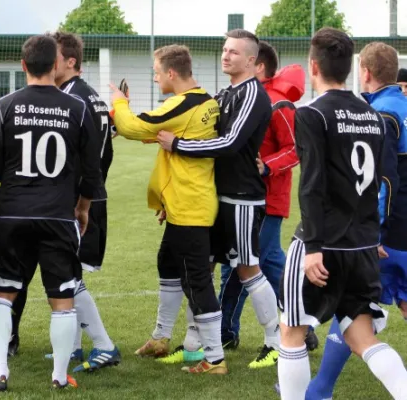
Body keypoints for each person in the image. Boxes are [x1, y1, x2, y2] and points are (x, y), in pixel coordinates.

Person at [277, 28, 407, 400]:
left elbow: (312, 184)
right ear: (351, 67)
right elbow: (379, 183)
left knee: (291, 331)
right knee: (361, 337)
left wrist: (314, 246)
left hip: (321, 244)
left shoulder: (312, 113)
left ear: (313, 66)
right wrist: (372, 237)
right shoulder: (372, 114)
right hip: (362, 245)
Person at [0, 34, 101, 392]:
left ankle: (0, 372)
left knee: (2, 292)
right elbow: (92, 170)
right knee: (62, 297)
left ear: (22, 66)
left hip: (13, 212)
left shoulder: (4, 105)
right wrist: (82, 208)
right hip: (58, 215)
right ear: (54, 65)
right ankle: (60, 376)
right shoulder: (77, 108)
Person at [157, 29, 279, 369]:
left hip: (241, 198)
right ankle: (195, 345)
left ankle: (275, 341)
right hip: (212, 197)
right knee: (202, 268)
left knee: (247, 268)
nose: (226, 56)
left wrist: (179, 145)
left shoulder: (254, 95)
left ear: (253, 61)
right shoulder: (225, 93)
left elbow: (230, 143)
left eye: (235, 52)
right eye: (225, 50)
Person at [113, 44, 227, 375]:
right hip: (184, 203)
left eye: (156, 71)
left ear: (171, 73)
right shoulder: (205, 100)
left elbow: (135, 127)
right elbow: (160, 133)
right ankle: (162, 337)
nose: (155, 76)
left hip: (191, 205)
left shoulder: (183, 104)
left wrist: (119, 103)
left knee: (198, 281)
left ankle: (215, 358)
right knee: (168, 262)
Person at [215, 41, 315, 353]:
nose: (230, 57)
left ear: (258, 65)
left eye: (242, 55)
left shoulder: (278, 104)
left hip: (266, 199)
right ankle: (229, 331)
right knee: (256, 263)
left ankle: (293, 325)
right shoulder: (242, 95)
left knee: (248, 265)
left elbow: (297, 148)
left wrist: (267, 166)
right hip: (239, 195)